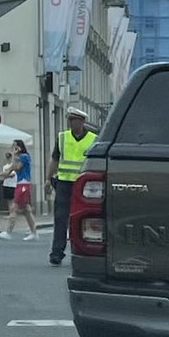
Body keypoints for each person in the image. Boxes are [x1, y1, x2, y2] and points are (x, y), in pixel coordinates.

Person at [47, 107, 98, 265]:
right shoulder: (62, 137)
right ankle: (57, 252)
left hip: (85, 185)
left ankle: (86, 250)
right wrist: (48, 179)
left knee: (85, 218)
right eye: (69, 120)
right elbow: (55, 159)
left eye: (74, 120)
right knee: (61, 218)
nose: (71, 123)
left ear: (82, 122)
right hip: (64, 183)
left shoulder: (93, 139)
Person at [0, 139, 38, 240]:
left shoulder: (24, 157)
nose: (13, 149)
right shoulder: (20, 157)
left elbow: (17, 168)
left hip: (23, 183)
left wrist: (14, 156)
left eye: (15, 147)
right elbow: (10, 169)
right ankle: (34, 232)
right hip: (21, 183)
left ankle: (8, 231)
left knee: (15, 207)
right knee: (26, 209)